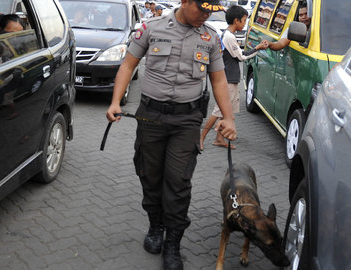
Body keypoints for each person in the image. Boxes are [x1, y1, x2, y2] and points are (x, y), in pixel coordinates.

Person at [105, 1, 235, 269]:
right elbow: (128, 65)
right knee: (149, 175)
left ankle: (173, 243)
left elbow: (219, 80)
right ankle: (155, 226)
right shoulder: (150, 29)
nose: (206, 15)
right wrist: (115, 101)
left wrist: (229, 117)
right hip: (150, 116)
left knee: (178, 181)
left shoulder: (210, 37)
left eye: (211, 11)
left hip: (187, 120)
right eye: (201, 8)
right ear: (185, 2)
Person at [200, 5, 268, 150]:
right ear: (236, 20)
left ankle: (219, 138)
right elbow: (242, 56)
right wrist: (258, 48)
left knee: (226, 112)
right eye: (244, 20)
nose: (244, 24)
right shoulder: (229, 37)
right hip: (228, 79)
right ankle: (201, 138)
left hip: (230, 77)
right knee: (219, 111)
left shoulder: (227, 35)